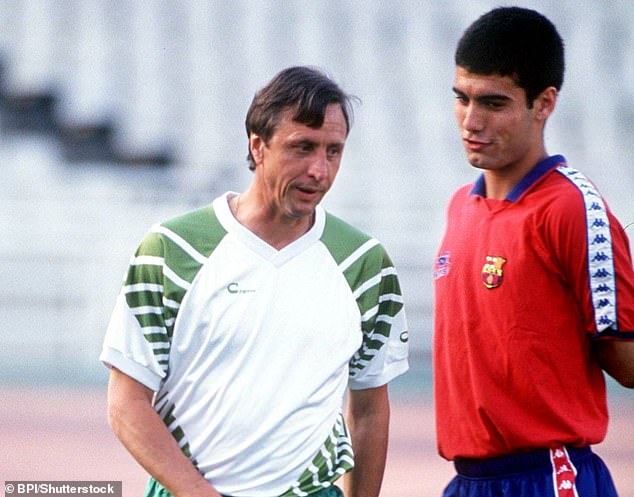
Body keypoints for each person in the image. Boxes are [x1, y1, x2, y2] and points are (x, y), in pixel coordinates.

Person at [100, 65, 409, 497]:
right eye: (302, 147)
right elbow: (126, 404)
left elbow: (370, 409)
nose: (319, 170)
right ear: (258, 146)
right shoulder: (171, 249)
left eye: (333, 151)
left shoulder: (364, 263)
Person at [433, 7, 634, 497]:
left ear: (544, 103)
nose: (471, 121)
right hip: (466, 481)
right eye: (462, 98)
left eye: (494, 103)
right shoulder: (461, 206)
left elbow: (628, 362)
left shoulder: (572, 209)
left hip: (549, 477)